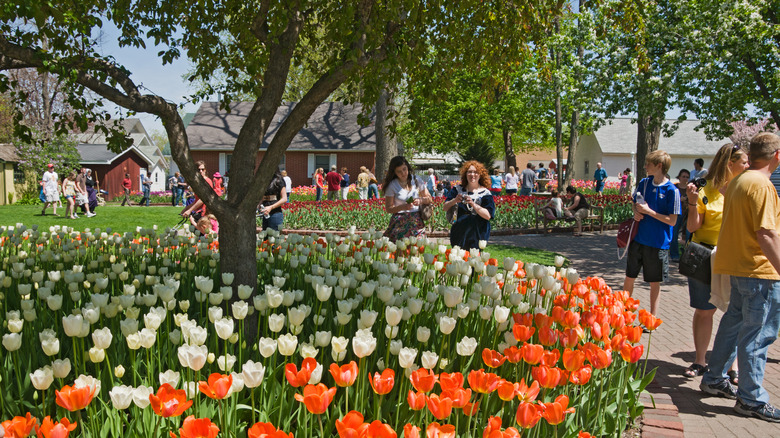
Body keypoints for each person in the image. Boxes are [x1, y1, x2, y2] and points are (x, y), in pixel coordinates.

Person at [698, 133, 780, 422]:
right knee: (757, 335)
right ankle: (751, 399)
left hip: (738, 267)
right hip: (759, 270)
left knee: (733, 325)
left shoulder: (739, 182)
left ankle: (714, 377)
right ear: (777, 156)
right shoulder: (762, 185)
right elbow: (766, 234)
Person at [682, 144, 748, 382]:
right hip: (705, 254)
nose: (748, 166)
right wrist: (691, 201)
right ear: (730, 164)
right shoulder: (705, 189)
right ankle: (700, 360)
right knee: (704, 310)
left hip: (734, 256)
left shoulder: (745, 189)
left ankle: (733, 365)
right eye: (744, 162)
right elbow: (692, 227)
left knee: (735, 311)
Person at [622, 150, 680, 316]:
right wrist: (636, 211)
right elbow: (635, 203)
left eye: (649, 164)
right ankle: (624, 313)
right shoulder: (644, 183)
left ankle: (652, 317)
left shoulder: (671, 191)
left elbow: (672, 221)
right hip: (638, 239)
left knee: (654, 282)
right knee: (629, 277)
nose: (645, 166)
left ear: (659, 166)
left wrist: (649, 212)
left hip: (658, 243)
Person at [443, 161, 495, 251]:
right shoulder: (457, 190)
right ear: (465, 174)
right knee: (458, 260)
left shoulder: (485, 193)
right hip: (459, 231)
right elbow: (445, 207)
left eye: (475, 172)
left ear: (480, 175)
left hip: (478, 232)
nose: (472, 175)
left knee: (474, 261)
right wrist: (455, 200)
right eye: (469, 172)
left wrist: (473, 204)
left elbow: (488, 215)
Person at [382, 156, 432, 242]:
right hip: (400, 221)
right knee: (400, 251)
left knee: (417, 249)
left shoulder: (416, 179)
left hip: (416, 220)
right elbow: (388, 208)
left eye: (404, 169)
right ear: (394, 172)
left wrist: (421, 200)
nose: (403, 173)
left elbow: (429, 199)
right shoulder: (392, 185)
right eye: (399, 171)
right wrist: (403, 207)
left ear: (408, 167)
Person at [181, 161, 215, 226]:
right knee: (194, 233)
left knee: (202, 234)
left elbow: (203, 199)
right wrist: (186, 209)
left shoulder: (207, 181)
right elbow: (196, 200)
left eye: (203, 169)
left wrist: (189, 210)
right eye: (199, 169)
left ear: (205, 170)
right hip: (198, 212)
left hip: (204, 213)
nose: (201, 171)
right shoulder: (198, 183)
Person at [669, 169, 690, 261]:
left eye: (687, 177)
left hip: (688, 215)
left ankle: (687, 256)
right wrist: (679, 200)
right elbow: (669, 200)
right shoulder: (674, 187)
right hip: (677, 214)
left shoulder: (690, 188)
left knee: (689, 236)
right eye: (683, 176)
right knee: (674, 235)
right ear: (679, 177)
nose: (685, 178)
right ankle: (674, 255)